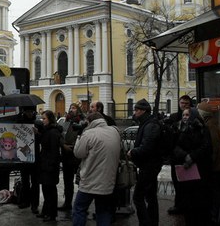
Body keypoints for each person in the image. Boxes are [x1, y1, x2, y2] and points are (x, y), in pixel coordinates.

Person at [72, 112, 121, 226]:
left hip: (89, 181)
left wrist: (80, 135)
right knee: (103, 211)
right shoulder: (115, 131)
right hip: (108, 181)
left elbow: (78, 153)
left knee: (79, 209)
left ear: (90, 122)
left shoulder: (89, 133)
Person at [172, 107, 212, 226]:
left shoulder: (202, 129)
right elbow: (175, 146)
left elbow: (206, 147)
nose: (185, 117)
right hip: (186, 170)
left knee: (199, 202)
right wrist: (185, 156)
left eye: (188, 115)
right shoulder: (179, 128)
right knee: (188, 202)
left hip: (200, 170)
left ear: (194, 116)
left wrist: (192, 156)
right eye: (183, 115)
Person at [127, 98, 162, 226]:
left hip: (149, 166)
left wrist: (133, 152)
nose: (134, 112)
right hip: (149, 165)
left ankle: (146, 222)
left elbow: (147, 146)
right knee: (151, 197)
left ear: (143, 111)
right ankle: (152, 222)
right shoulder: (147, 123)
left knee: (138, 197)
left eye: (136, 110)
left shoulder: (150, 125)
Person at [198, 102, 220, 224]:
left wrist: (210, 164)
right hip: (216, 165)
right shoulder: (210, 123)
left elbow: (214, 147)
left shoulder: (210, 125)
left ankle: (216, 217)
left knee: (215, 193)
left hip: (215, 167)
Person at [166, 95, 192, 215]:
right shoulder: (173, 117)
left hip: (188, 156)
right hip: (175, 156)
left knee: (187, 183)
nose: (184, 105)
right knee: (176, 181)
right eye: (182, 103)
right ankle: (178, 204)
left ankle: (186, 205)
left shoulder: (193, 117)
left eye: (186, 103)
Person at [58, 103, 85, 212]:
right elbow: (60, 135)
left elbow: (85, 137)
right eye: (70, 108)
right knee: (67, 180)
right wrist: (63, 145)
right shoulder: (66, 121)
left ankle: (82, 205)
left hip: (78, 154)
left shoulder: (82, 122)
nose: (71, 110)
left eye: (73, 108)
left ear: (78, 110)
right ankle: (67, 203)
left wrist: (75, 147)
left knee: (82, 180)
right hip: (66, 154)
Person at [36, 110, 62, 222]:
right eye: (42, 118)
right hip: (46, 165)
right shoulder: (47, 131)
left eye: (44, 118)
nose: (42, 120)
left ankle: (52, 214)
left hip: (50, 167)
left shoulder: (53, 132)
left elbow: (54, 151)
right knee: (46, 190)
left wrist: (50, 165)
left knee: (50, 191)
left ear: (50, 119)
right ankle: (46, 211)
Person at [16, 107, 40, 214]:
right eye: (28, 112)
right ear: (24, 112)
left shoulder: (38, 124)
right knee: (25, 181)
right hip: (23, 158)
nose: (30, 114)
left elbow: (43, 138)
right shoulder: (19, 122)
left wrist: (38, 134)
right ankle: (26, 201)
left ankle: (35, 204)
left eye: (31, 112)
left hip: (35, 157)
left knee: (35, 182)